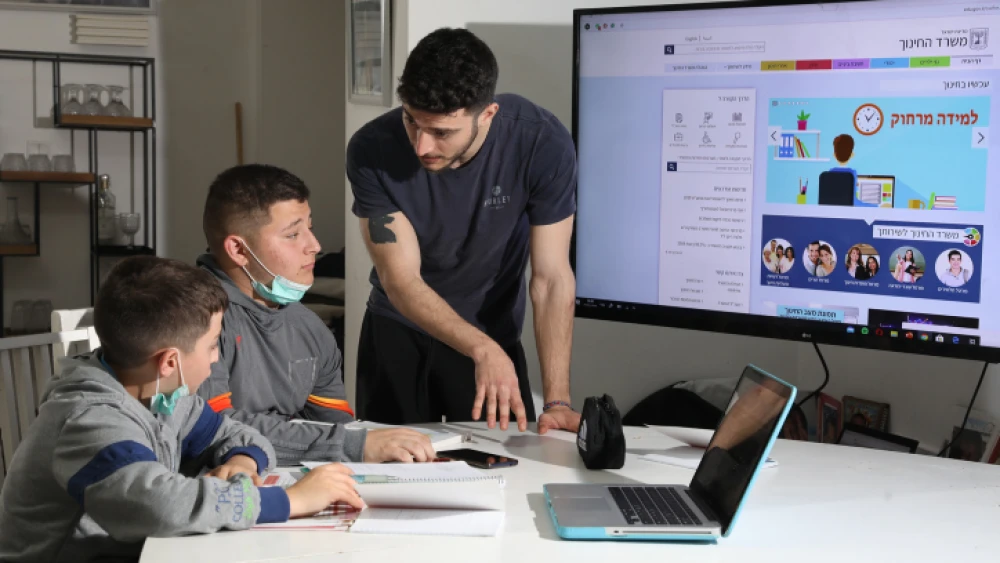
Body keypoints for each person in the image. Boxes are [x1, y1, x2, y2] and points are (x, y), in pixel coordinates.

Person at [0, 257, 364, 562]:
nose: (216, 358)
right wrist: (290, 500)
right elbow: (160, 506)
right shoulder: (90, 419)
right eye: (212, 345)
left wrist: (243, 462)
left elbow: (236, 434)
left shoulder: (163, 396)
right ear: (170, 362)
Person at [347, 28, 579, 434]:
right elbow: (400, 279)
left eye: (442, 132)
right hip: (398, 330)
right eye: (411, 121)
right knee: (387, 468)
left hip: (492, 332)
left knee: (506, 461)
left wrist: (557, 400)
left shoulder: (541, 142)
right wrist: (480, 348)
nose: (422, 146)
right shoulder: (371, 149)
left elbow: (551, 278)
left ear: (487, 114)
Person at [197, 164, 434, 464]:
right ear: (238, 250)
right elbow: (212, 428)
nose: (314, 246)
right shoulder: (193, 319)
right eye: (293, 234)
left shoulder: (310, 327)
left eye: (310, 228)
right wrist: (353, 445)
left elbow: (335, 427)